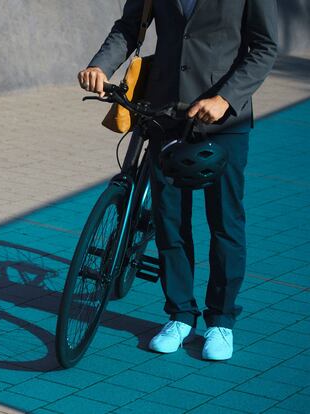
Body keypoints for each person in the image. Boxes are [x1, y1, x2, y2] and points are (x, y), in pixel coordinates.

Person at [78, 0, 278, 360]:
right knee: (169, 220)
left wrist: (225, 99)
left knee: (225, 221)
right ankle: (180, 314)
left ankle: (221, 320)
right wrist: (100, 65)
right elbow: (128, 27)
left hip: (222, 120)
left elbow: (264, 47)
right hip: (163, 112)